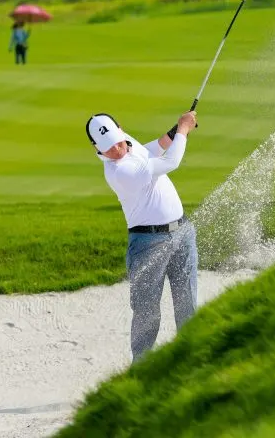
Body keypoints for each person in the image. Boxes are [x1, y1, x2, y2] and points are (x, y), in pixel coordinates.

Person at [85, 110, 199, 363]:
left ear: (121, 129)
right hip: (148, 243)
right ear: (97, 148)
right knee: (147, 313)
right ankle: (142, 369)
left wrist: (177, 128)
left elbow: (156, 148)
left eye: (117, 140)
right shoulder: (119, 170)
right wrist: (183, 130)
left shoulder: (128, 144)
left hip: (182, 232)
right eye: (108, 147)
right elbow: (171, 162)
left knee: (187, 302)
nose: (116, 149)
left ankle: (192, 361)